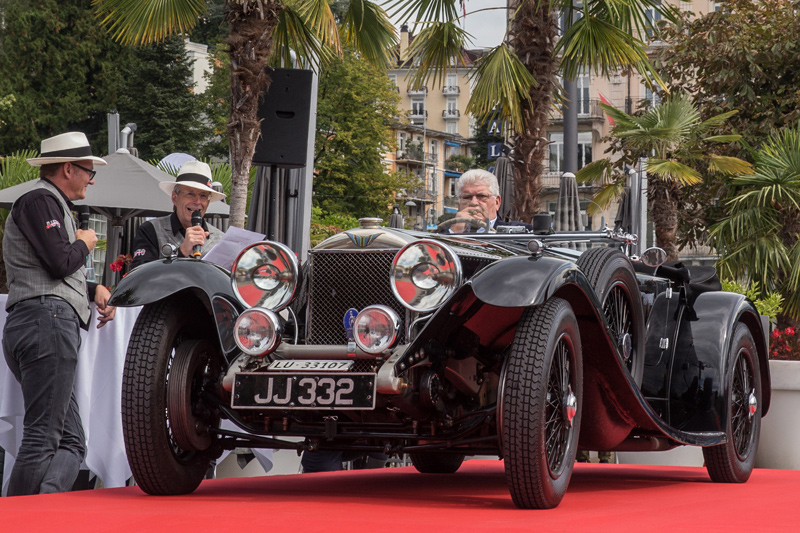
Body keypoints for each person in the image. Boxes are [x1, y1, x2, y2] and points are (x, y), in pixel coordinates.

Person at [2, 131, 116, 496]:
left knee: (72, 441)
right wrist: (84, 242)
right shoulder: (40, 200)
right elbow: (60, 261)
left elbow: (49, 268)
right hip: (46, 322)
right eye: (88, 170)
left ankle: (41, 507)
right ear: (68, 168)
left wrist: (90, 288)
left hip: (40, 320)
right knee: (45, 436)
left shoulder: (43, 202)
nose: (91, 179)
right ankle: (19, 518)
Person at [130, 160, 226, 268]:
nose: (198, 202)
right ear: (175, 198)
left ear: (208, 202)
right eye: (190, 194)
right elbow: (140, 277)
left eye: (203, 196)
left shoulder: (221, 239)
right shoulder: (150, 230)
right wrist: (182, 251)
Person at [443, 169, 532, 233]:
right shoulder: (442, 234)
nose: (474, 203)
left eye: (482, 196)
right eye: (467, 197)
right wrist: (453, 233)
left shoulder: (521, 232)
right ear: (459, 205)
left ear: (497, 202)